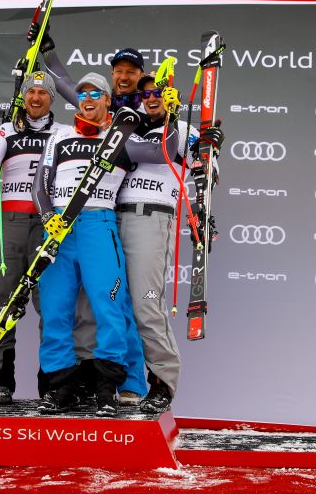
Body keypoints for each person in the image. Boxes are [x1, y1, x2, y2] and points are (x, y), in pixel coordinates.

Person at [32, 73, 178, 417]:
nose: (87, 97)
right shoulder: (60, 136)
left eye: (96, 92)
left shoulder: (121, 140)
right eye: (82, 93)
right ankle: (60, 387)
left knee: (109, 309)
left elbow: (164, 152)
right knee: (56, 310)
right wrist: (46, 215)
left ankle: (106, 387)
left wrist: (170, 116)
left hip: (99, 224)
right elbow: (42, 181)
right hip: (59, 230)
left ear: (107, 100)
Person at [115, 72, 224, 414]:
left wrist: (209, 149)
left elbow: (208, 175)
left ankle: (163, 380)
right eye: (145, 93)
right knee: (112, 304)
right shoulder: (129, 128)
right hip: (110, 217)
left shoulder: (184, 132)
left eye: (158, 92)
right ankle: (117, 382)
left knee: (147, 303)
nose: (151, 97)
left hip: (152, 218)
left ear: (172, 98)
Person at [0, 71, 71, 405]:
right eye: (31, 92)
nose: (36, 98)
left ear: (52, 98)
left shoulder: (64, 133)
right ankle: (0, 382)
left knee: (52, 306)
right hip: (10, 221)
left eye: (43, 93)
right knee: (3, 304)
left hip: (47, 221)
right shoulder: (7, 129)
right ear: (24, 97)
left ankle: (52, 382)